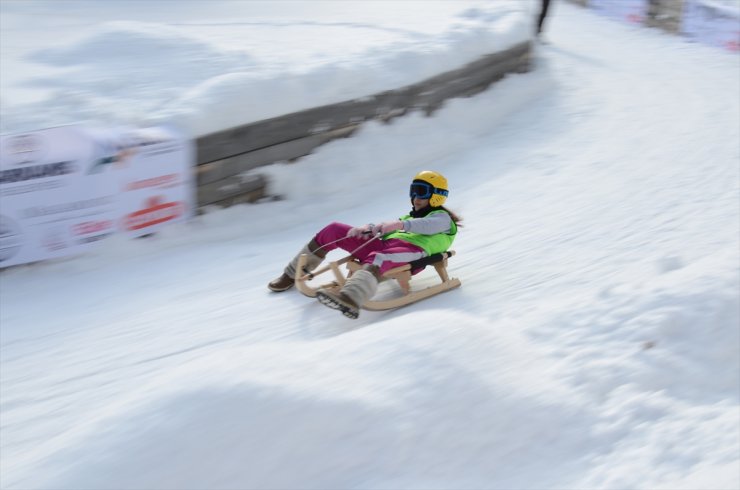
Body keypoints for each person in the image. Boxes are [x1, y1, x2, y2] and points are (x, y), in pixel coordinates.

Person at [268, 170, 462, 319]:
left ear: (436, 195)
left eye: (421, 192)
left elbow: (427, 226)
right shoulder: (408, 217)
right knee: (334, 229)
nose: (415, 197)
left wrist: (401, 224)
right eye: (413, 191)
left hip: (413, 253)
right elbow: (388, 228)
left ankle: (351, 298)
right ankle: (291, 274)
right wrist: (368, 229)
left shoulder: (443, 219)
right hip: (386, 245)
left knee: (379, 257)